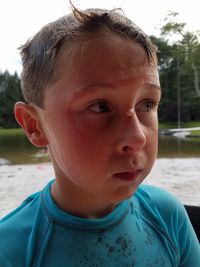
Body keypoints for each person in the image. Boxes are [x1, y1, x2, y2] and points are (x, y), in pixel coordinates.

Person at [0, 4, 199, 267]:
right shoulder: (12, 250)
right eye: (100, 107)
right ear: (34, 126)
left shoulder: (167, 216)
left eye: (147, 104)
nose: (137, 137)